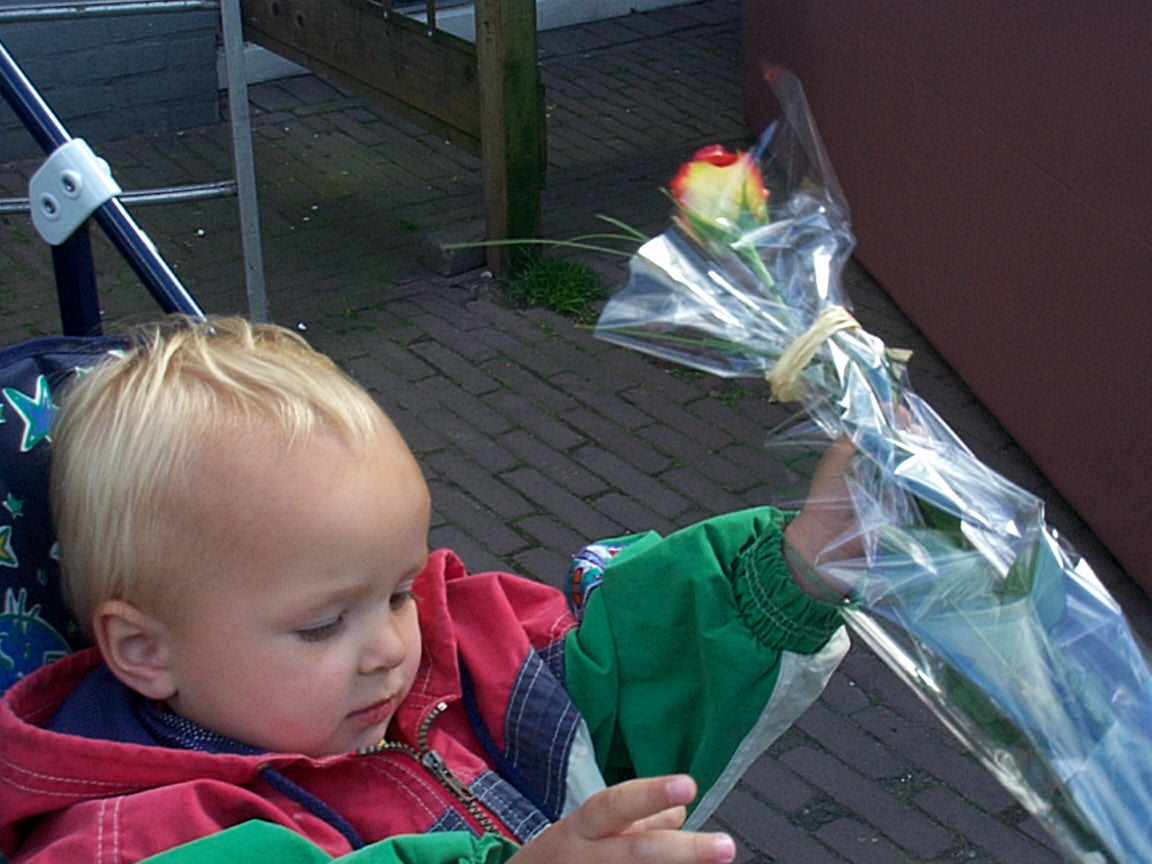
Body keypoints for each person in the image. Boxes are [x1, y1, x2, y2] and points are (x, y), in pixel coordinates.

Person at [0, 316, 857, 864]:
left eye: (400, 590)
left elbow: (619, 673)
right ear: (145, 650)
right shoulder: (139, 839)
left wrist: (798, 566)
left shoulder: (452, 654)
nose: (389, 649)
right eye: (323, 625)